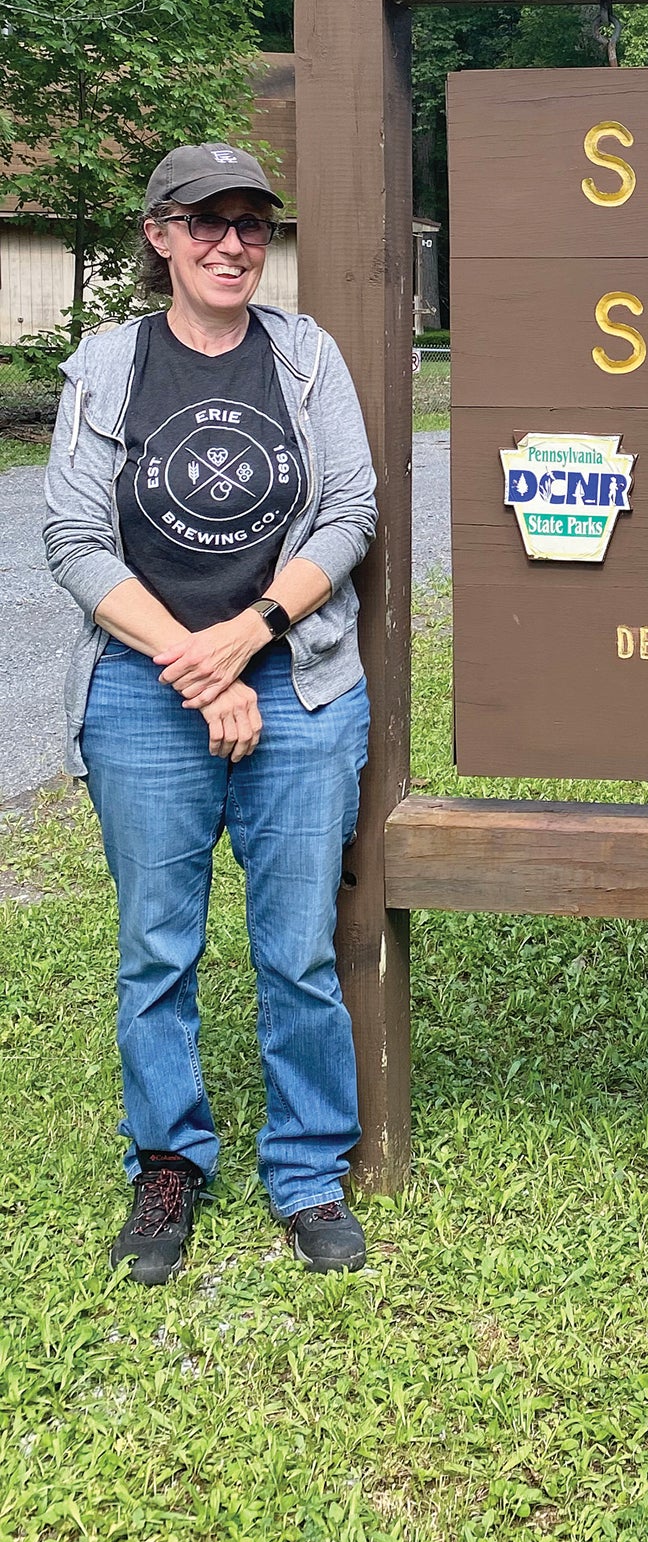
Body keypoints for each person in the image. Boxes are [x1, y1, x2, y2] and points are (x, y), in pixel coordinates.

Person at [43, 143, 378, 1284]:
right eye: (206, 222)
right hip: (146, 691)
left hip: (300, 683)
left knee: (296, 948)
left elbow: (350, 511)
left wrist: (250, 639)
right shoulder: (106, 364)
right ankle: (170, 1160)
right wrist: (199, 664)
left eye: (251, 224)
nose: (233, 243)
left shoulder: (304, 355)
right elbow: (75, 540)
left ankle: (309, 1169)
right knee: (156, 946)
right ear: (159, 235)